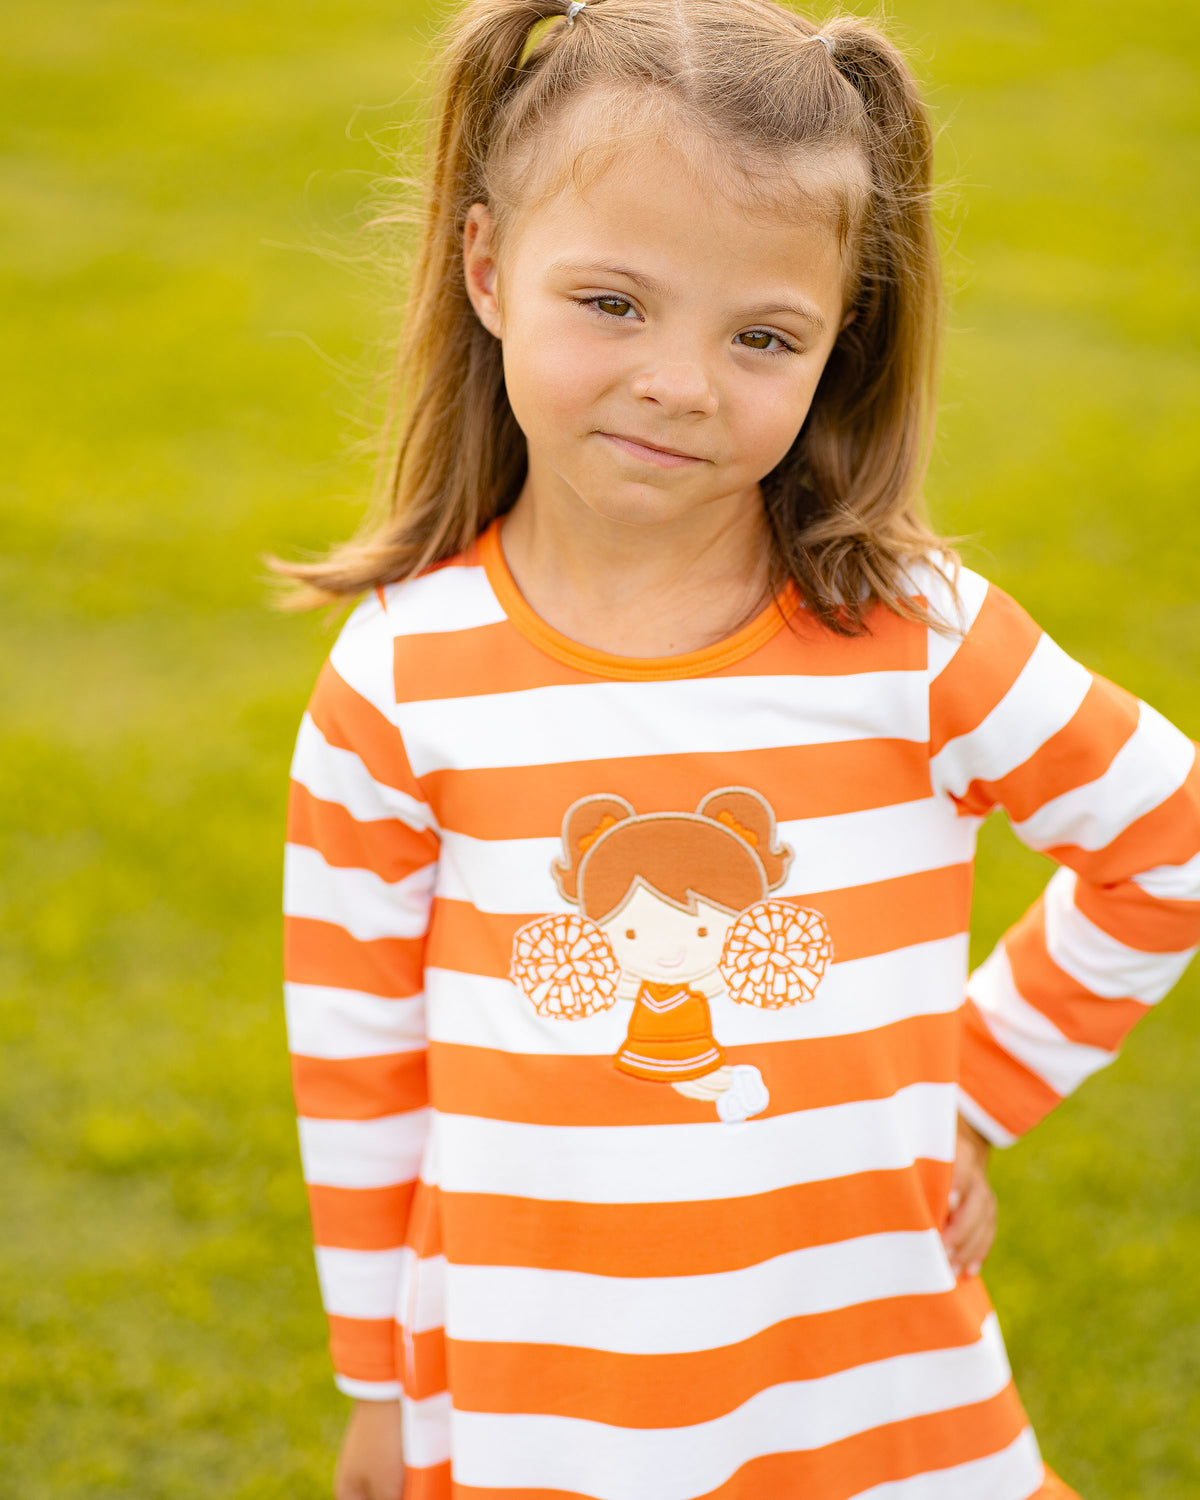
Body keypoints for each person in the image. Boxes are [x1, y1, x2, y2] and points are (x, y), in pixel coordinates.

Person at [276, 1, 1200, 1496]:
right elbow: (359, 1061)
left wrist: (962, 1088)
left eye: (761, 334)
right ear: (490, 267)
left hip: (869, 1379)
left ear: (841, 346)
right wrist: (379, 1383)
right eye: (616, 304)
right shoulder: (400, 677)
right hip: (542, 1395)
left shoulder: (919, 641)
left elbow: (1170, 844)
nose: (681, 383)